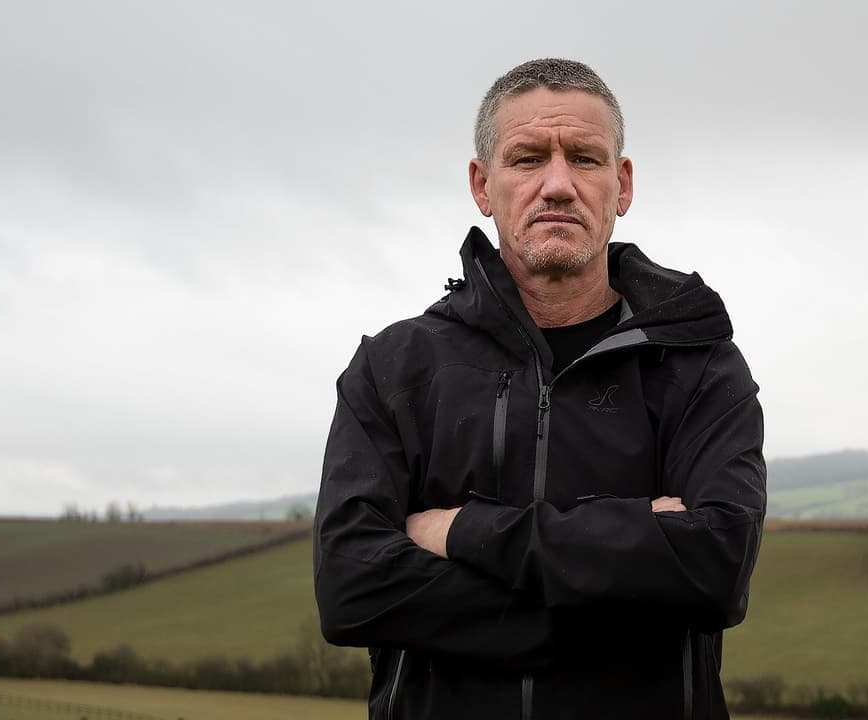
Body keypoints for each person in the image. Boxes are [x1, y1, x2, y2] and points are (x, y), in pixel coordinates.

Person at [313, 58, 767, 720]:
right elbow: (351, 587)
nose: (557, 185)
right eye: (527, 159)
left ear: (622, 184)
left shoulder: (699, 366)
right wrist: (613, 592)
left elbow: (715, 570)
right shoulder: (395, 368)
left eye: (584, 159)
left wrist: (462, 530)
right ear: (482, 185)